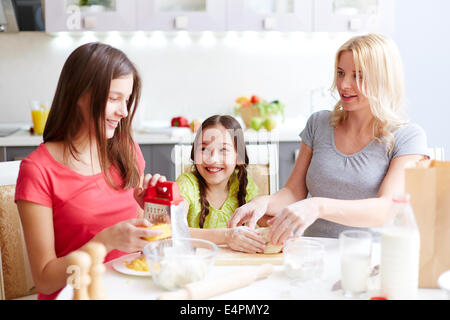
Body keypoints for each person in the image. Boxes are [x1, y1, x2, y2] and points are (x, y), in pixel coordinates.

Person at [228, 33, 428, 245]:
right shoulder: (318, 124)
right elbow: (294, 192)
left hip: (370, 258)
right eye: (341, 73)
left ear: (383, 79)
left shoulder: (408, 137)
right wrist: (265, 202)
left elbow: (387, 208)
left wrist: (317, 206)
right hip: (313, 250)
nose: (344, 85)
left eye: (358, 75)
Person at [15, 42, 166, 300]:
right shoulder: (37, 170)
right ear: (78, 95)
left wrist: (154, 212)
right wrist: (105, 241)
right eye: (113, 98)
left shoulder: (127, 150)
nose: (124, 111)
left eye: (126, 100)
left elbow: (140, 240)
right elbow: (44, 278)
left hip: (131, 291)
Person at [176, 115, 266, 253]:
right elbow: (175, 230)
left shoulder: (244, 185)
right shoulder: (186, 184)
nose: (212, 159)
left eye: (223, 150)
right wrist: (227, 236)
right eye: (204, 149)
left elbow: (265, 223)